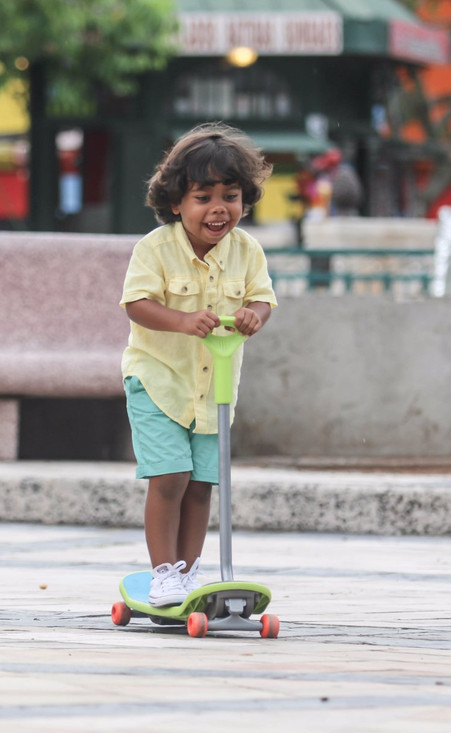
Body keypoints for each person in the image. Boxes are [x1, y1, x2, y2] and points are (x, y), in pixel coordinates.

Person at [119, 123, 277, 606]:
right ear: (176, 202)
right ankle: (163, 572)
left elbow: (262, 300)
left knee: (203, 485)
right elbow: (137, 303)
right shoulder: (155, 249)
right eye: (202, 197)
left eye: (230, 196)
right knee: (170, 478)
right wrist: (183, 321)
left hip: (216, 389)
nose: (217, 209)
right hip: (159, 382)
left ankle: (188, 574)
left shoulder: (247, 250)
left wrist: (254, 316)